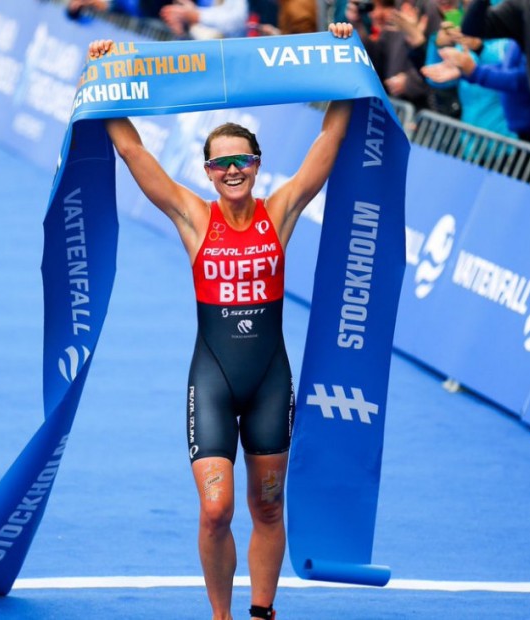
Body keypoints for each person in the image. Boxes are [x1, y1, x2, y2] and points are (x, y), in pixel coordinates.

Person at [88, 22, 354, 620]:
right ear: (207, 171)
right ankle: (220, 615)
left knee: (268, 507)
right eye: (221, 163)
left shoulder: (278, 212)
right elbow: (134, 153)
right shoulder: (193, 216)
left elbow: (330, 141)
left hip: (269, 381)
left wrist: (344, 59)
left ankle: (261, 612)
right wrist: (103, 76)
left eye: (242, 161)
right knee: (215, 510)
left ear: (256, 165)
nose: (232, 170)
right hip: (212, 378)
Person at [461, 0, 530, 158]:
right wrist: (472, 70)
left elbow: (520, 78)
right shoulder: (525, 8)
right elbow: (472, 28)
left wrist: (476, 72)